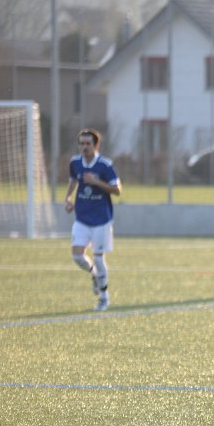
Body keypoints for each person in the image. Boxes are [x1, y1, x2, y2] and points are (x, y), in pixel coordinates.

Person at [64, 128, 122, 311]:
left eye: (88, 143)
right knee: (77, 256)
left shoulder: (105, 165)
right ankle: (95, 275)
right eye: (81, 143)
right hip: (82, 217)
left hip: (102, 220)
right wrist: (68, 198)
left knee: (98, 258)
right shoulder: (75, 163)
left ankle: (104, 298)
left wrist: (96, 182)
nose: (84, 147)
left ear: (96, 145)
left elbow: (117, 190)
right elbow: (73, 181)